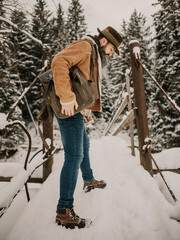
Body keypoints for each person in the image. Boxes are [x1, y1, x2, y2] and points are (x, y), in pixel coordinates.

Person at [51, 26, 123, 229]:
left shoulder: (93, 54)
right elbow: (58, 62)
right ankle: (64, 211)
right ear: (104, 41)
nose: (111, 53)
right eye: (112, 49)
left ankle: (88, 179)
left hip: (76, 108)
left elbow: (82, 81)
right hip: (68, 107)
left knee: (85, 145)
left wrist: (86, 111)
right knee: (74, 156)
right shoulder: (85, 46)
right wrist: (66, 98)